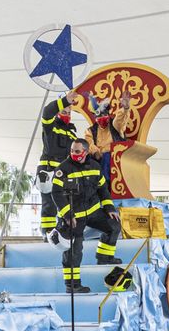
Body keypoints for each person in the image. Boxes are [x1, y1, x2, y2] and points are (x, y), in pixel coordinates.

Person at [50, 138, 121, 294]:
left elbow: (103, 189)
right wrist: (67, 215)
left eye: (77, 151)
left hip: (94, 212)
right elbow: (56, 194)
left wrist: (109, 207)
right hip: (74, 217)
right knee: (74, 251)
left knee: (114, 225)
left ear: (86, 152)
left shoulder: (95, 167)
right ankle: (72, 285)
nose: (73, 154)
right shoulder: (63, 169)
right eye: (71, 151)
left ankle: (104, 257)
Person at [36, 93, 83, 232]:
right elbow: (46, 112)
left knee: (65, 206)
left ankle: (62, 233)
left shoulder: (72, 133)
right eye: (63, 111)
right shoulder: (50, 126)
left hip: (64, 175)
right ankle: (47, 233)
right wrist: (64, 101)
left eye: (69, 113)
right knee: (49, 206)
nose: (67, 115)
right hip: (49, 171)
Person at [83, 91, 137, 184]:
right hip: (98, 157)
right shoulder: (91, 130)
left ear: (108, 114)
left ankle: (106, 184)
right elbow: (89, 142)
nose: (101, 118)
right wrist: (95, 152)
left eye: (104, 115)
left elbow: (120, 120)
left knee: (107, 157)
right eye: (98, 116)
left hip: (115, 157)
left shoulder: (114, 125)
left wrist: (125, 108)